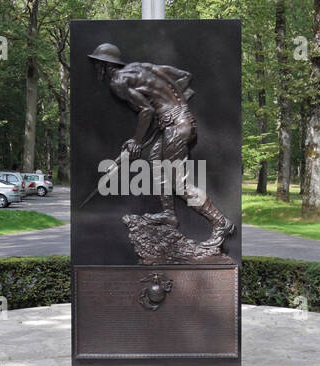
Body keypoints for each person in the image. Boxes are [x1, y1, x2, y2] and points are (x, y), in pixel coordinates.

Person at [88, 43, 234, 249]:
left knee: (180, 185)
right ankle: (169, 214)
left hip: (177, 127)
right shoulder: (141, 67)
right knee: (156, 160)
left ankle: (221, 222)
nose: (95, 68)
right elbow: (185, 76)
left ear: (103, 66)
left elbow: (146, 111)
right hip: (176, 123)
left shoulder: (118, 81)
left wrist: (136, 141)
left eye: (96, 63)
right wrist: (172, 107)